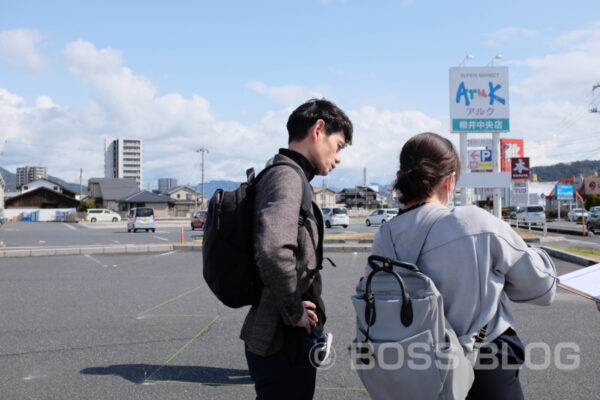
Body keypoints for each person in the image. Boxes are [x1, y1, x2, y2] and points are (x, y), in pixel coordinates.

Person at [379, 132, 556, 399]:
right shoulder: (474, 222)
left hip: (412, 369)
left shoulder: (386, 235)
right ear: (450, 181)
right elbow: (542, 288)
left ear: (401, 176)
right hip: (483, 366)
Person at [241, 98, 353, 400]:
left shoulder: (290, 174)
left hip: (284, 333)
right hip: (281, 338)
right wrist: (294, 311)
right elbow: (273, 249)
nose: (339, 157)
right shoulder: (287, 176)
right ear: (319, 129)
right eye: (339, 145)